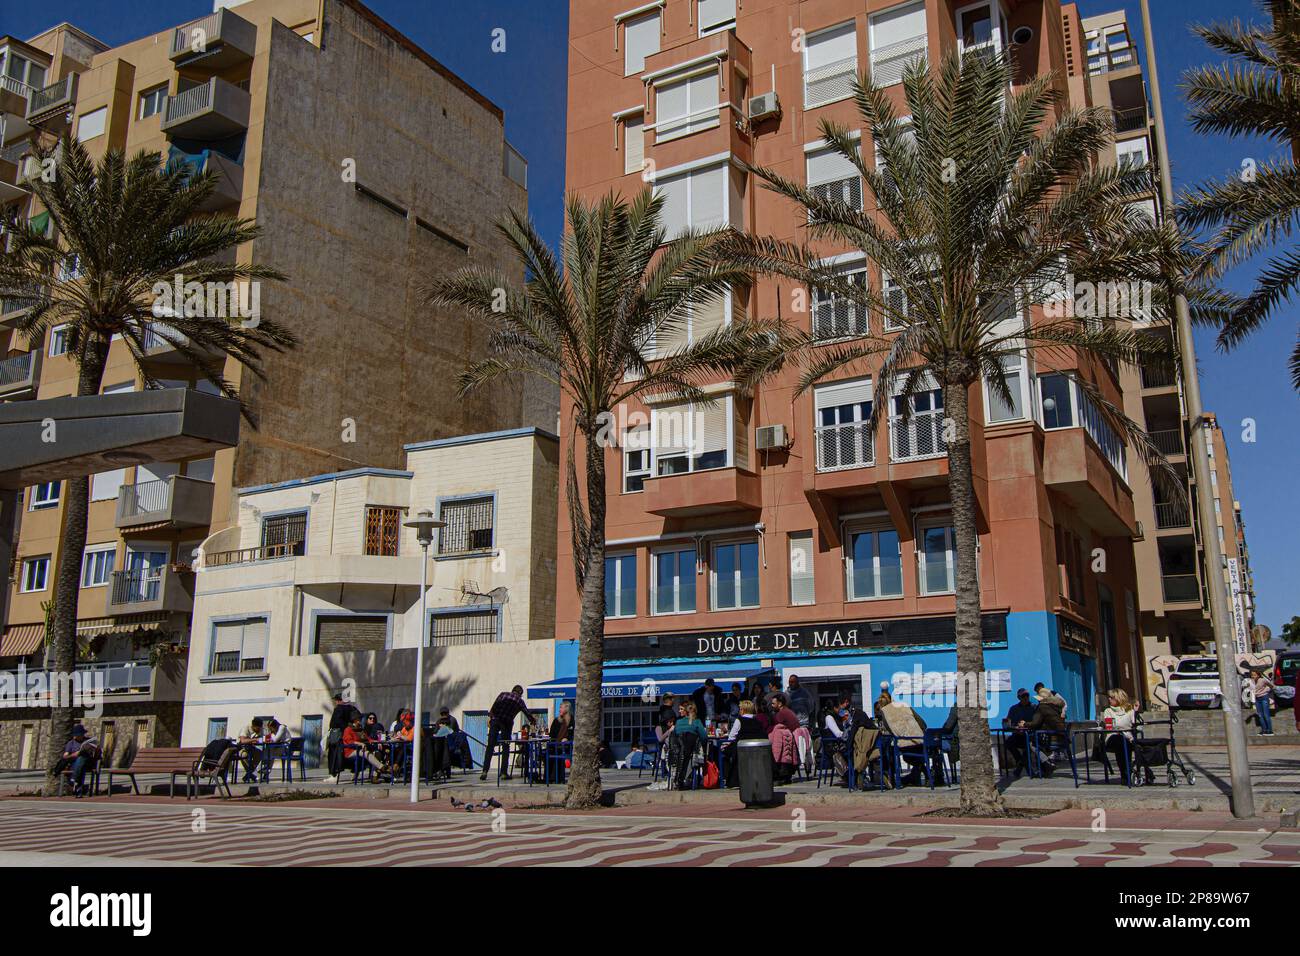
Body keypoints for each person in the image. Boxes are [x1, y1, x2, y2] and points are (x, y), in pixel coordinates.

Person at [480, 685, 537, 781]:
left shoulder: (503, 694)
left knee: (490, 746)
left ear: (512, 690)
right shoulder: (519, 701)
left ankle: (484, 771)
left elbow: (494, 707)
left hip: (496, 721)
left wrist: (490, 717)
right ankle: (503, 773)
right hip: (506, 724)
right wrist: (533, 721)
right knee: (506, 747)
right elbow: (527, 713)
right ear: (520, 694)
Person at [1099, 688, 1149, 785]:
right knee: (1121, 741)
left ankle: (1127, 774)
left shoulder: (1129, 710)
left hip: (1128, 738)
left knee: (1126, 743)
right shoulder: (1108, 711)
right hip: (1113, 737)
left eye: (1111, 697)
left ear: (1119, 698)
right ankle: (1127, 772)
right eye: (1109, 697)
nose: (1109, 699)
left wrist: (1136, 712)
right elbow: (1111, 727)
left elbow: (1138, 726)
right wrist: (1123, 729)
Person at [1021, 687, 1067, 776]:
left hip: (1051, 738)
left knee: (1031, 743)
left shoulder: (1042, 707)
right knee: (1034, 739)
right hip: (1061, 737)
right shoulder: (1057, 707)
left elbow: (1035, 723)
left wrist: (1024, 724)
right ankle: (1045, 768)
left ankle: (1047, 763)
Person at [721, 699, 768, 786]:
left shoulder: (739, 720)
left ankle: (726, 777)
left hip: (741, 748)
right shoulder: (757, 721)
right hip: (755, 748)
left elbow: (732, 736)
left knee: (723, 752)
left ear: (743, 710)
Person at [54, 724, 100, 796]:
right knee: (80, 762)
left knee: (82, 758)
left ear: (82, 734)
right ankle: (79, 789)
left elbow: (96, 754)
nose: (75, 736)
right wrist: (74, 754)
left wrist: (95, 749)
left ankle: (74, 779)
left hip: (88, 763)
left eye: (78, 735)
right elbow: (65, 757)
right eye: (75, 735)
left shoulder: (88, 742)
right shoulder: (71, 743)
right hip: (75, 764)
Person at [324, 692, 362, 781]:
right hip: (350, 736)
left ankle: (334, 775)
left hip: (338, 737)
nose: (336, 702)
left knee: (334, 755)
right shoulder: (352, 708)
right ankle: (354, 771)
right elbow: (359, 718)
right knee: (350, 754)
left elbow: (334, 723)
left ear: (339, 701)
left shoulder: (339, 709)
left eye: (336, 700)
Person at [671, 701, 708, 789]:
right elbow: (704, 737)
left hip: (675, 751)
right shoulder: (697, 722)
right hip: (690, 751)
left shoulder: (678, 722)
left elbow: (674, 734)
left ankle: (677, 780)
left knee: (683, 754)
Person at [343, 714, 388, 780]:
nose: (361, 720)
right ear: (355, 720)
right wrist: (360, 744)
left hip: (360, 750)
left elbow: (368, 739)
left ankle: (374, 776)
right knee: (366, 753)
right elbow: (349, 741)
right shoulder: (348, 729)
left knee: (377, 753)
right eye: (359, 719)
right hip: (350, 751)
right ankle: (382, 767)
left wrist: (377, 742)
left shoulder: (360, 729)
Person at [1003, 688, 1037, 774]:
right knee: (1008, 743)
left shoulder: (1034, 707)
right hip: (1018, 734)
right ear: (1019, 697)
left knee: (1028, 745)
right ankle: (1021, 763)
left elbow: (1037, 722)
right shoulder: (1014, 709)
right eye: (1023, 696)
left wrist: (1026, 724)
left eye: (1027, 695)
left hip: (1030, 734)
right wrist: (1014, 726)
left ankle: (1021, 766)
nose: (1026, 697)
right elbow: (1009, 721)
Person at [234, 718, 265, 783]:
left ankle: (249, 774)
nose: (259, 730)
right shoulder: (246, 728)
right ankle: (250, 773)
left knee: (260, 754)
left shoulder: (260, 729)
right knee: (244, 755)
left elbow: (261, 738)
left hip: (251, 747)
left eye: (260, 728)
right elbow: (243, 741)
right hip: (241, 748)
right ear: (254, 726)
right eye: (258, 728)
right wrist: (254, 740)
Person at [1252, 669, 1276, 736]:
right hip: (1257, 699)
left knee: (1266, 714)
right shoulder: (1252, 681)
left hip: (1264, 698)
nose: (1253, 676)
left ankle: (1270, 730)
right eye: (1252, 675)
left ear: (1258, 675)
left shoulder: (1262, 680)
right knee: (1260, 715)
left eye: (1254, 675)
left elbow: (1271, 686)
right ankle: (1264, 730)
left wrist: (1267, 690)